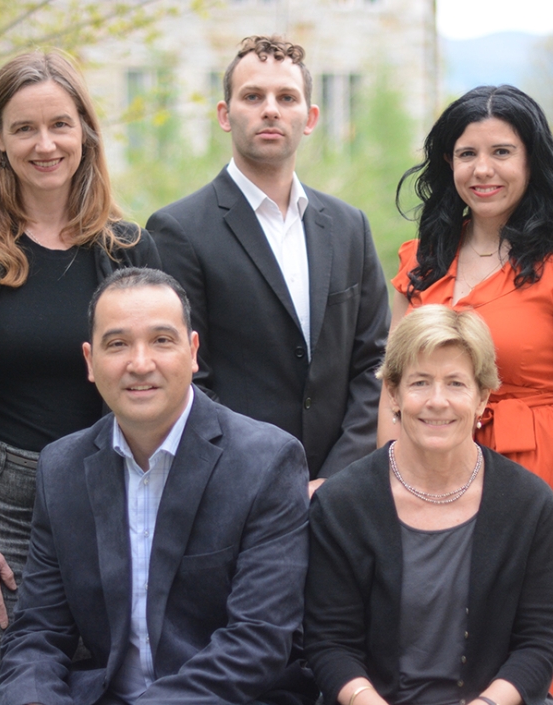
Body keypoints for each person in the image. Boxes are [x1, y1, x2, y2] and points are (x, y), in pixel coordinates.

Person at [0, 51, 160, 704]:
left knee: (91, 684)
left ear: (85, 130)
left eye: (59, 125)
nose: (45, 145)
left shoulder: (127, 250)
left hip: (99, 500)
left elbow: (162, 388)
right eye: (24, 128)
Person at [381, 85, 553, 705]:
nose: (483, 170)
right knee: (447, 644)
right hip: (434, 472)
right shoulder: (420, 262)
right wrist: (387, 493)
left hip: (538, 473)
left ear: (530, 159)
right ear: (448, 163)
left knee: (544, 645)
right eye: (467, 154)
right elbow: (392, 390)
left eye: (502, 152)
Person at [0, 267, 314, 705]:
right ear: (90, 361)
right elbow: (38, 633)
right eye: (117, 344)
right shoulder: (62, 468)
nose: (140, 363)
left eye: (162, 340)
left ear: (193, 351)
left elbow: (257, 641)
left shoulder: (267, 461)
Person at [146, 35, 390, 494]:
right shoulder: (178, 230)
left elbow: (375, 361)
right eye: (253, 96)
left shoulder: (349, 227)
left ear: (310, 118)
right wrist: (268, 481)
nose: (271, 110)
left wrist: (337, 478)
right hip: (234, 490)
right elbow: (186, 376)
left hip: (341, 493)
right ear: (225, 114)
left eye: (287, 98)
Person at [305, 304, 553, 705]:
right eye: (420, 383)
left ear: (482, 397)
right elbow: (329, 643)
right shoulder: (342, 504)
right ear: (393, 394)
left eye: (456, 384)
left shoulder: (530, 504)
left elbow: (541, 640)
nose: (437, 401)